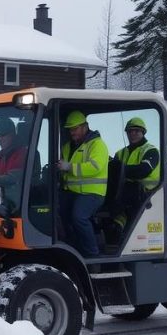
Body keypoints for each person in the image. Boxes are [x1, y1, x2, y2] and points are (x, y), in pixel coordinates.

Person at [57, 110, 108, 258]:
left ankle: (92, 253)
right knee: (55, 211)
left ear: (85, 127)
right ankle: (73, 247)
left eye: (75, 129)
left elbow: (95, 167)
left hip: (93, 193)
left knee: (79, 216)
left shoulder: (97, 145)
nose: (72, 132)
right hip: (72, 191)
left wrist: (69, 167)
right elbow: (64, 167)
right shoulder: (68, 146)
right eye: (70, 129)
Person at [112, 117, 160, 234]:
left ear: (143, 133)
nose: (133, 134)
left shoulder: (151, 151)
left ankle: (119, 228)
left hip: (148, 194)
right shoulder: (120, 153)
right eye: (130, 131)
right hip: (125, 192)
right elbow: (112, 173)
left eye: (137, 131)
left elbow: (143, 171)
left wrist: (121, 169)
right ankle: (115, 228)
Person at [0, 117, 28, 187]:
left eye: (2, 136)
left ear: (13, 134)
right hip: (3, 195)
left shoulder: (26, 154)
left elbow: (14, 178)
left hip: (19, 196)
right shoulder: (0, 156)